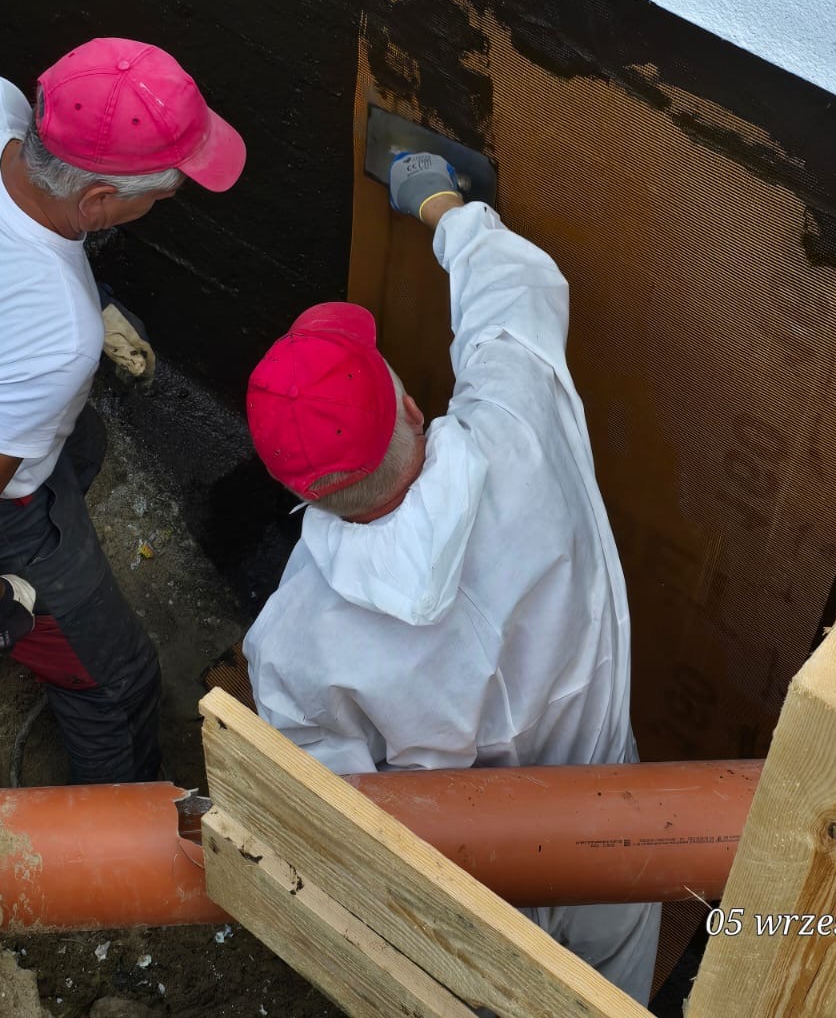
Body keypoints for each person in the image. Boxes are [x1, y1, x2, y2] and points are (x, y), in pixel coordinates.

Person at [244, 152, 660, 1005]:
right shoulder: (517, 424)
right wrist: (439, 202)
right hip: (618, 812)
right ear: (408, 407)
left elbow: (339, 813)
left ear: (298, 489)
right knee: (614, 994)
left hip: (473, 884)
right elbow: (516, 292)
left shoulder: (295, 643)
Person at [0, 38, 245, 783]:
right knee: (117, 684)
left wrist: (91, 297)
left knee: (80, 445)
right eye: (160, 196)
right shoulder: (55, 338)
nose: (160, 205)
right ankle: (114, 824)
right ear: (96, 202)